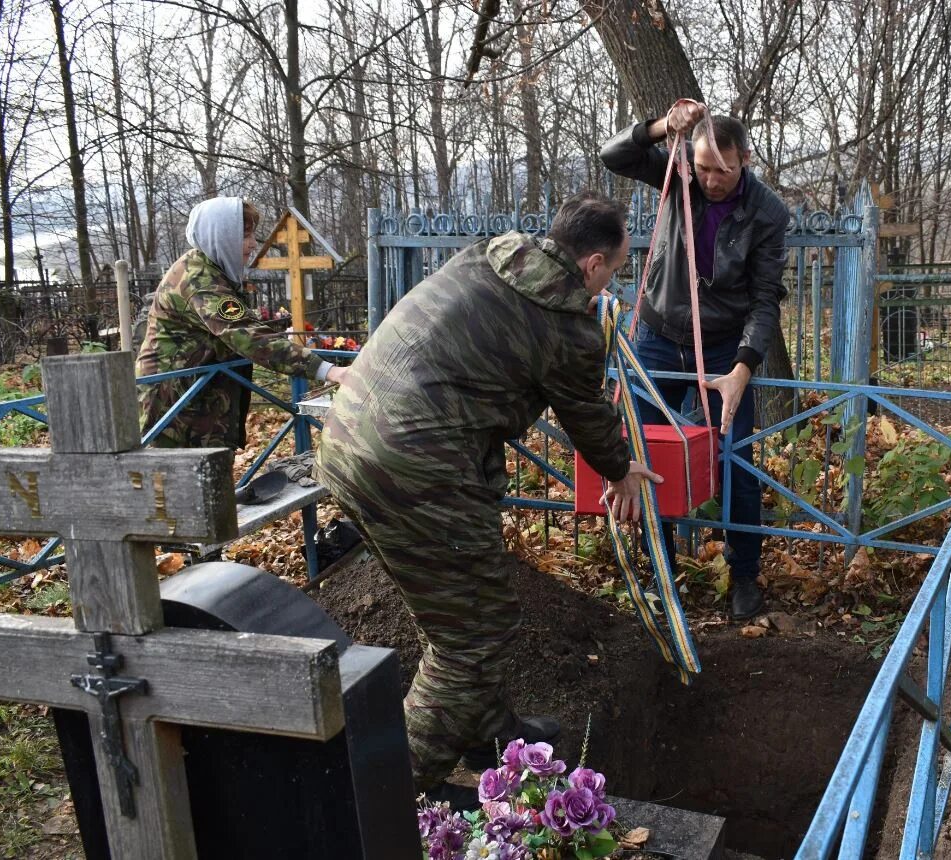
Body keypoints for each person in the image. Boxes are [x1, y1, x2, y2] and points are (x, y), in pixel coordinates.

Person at [314, 191, 661, 808]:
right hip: (415, 464)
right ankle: (377, 809)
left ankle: (489, 736)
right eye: (618, 267)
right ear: (593, 264)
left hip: (349, 441)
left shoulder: (490, 257)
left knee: (464, 608)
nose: (618, 279)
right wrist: (620, 470)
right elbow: (587, 413)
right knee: (472, 640)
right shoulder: (567, 322)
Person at [600, 101, 789, 620]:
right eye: (702, 167)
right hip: (659, 334)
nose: (710, 180)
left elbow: (764, 298)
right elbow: (612, 155)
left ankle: (745, 574)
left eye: (723, 170)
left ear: (745, 160)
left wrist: (741, 371)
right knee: (647, 455)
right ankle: (658, 569)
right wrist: (663, 128)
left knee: (736, 461)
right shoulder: (678, 175)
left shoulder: (768, 213)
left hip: (726, 346)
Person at [136, 196, 346, 449]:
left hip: (201, 399)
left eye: (252, 235)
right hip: (176, 408)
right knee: (179, 483)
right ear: (220, 235)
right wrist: (327, 370)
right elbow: (245, 334)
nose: (253, 244)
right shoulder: (199, 278)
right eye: (245, 236)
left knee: (210, 478)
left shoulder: (213, 269)